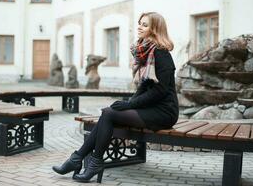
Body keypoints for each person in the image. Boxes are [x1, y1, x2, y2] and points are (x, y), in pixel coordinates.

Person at [52, 12, 179, 183]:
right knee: (108, 112)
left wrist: (130, 104)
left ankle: (85, 160)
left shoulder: (161, 54)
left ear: (155, 29)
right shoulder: (146, 52)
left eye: (145, 25)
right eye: (140, 23)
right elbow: (144, 87)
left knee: (109, 114)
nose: (140, 27)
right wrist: (128, 103)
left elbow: (160, 91)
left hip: (164, 112)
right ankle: (80, 159)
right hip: (150, 108)